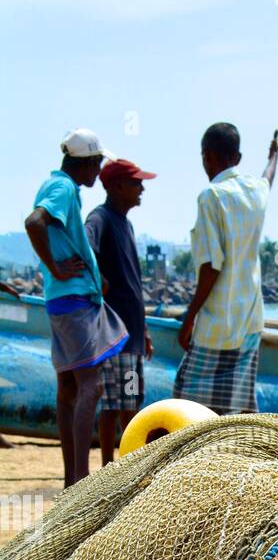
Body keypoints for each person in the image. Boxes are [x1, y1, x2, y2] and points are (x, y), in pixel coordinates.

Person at [24, 129, 129, 486]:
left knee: (69, 388)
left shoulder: (59, 187)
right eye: (97, 163)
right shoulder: (64, 188)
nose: (98, 171)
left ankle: (73, 479)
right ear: (84, 163)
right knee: (92, 385)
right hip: (73, 301)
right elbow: (34, 222)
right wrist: (55, 267)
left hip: (63, 298)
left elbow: (55, 232)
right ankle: (81, 479)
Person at [174, 123, 278, 414]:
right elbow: (268, 177)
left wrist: (189, 316)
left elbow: (211, 266)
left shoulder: (211, 197)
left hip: (218, 323)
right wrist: (274, 156)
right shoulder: (256, 191)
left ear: (206, 155)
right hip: (250, 321)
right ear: (238, 157)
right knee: (236, 406)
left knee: (187, 403)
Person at [86, 158, 156, 463]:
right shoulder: (101, 218)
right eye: (135, 183)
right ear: (116, 187)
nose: (141, 188)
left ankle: (119, 465)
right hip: (116, 332)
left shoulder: (125, 223)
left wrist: (146, 330)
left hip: (132, 331)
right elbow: (86, 246)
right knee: (121, 402)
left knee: (125, 399)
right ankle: (117, 466)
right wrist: (97, 280)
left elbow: (134, 284)